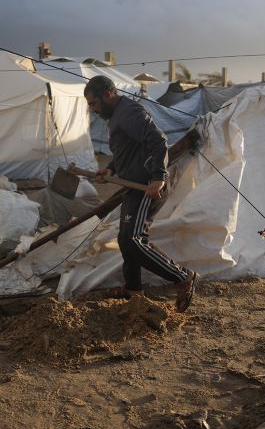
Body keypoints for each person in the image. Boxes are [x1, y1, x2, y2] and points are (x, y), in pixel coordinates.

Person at [83, 75, 198, 312]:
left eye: (93, 103)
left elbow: (157, 140)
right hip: (133, 185)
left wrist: (158, 177)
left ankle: (182, 277)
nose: (91, 109)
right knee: (126, 240)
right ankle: (134, 290)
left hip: (146, 186)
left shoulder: (128, 112)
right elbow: (129, 148)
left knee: (134, 240)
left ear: (108, 94)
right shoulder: (117, 115)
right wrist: (111, 168)